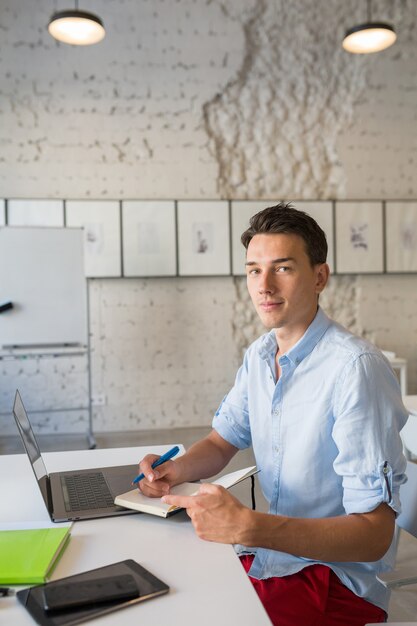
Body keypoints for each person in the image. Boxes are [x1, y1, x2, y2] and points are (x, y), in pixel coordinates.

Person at [137, 203, 408, 626]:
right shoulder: (260, 355)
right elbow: (221, 441)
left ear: (320, 277)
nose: (263, 285)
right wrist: (172, 471)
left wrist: (249, 528)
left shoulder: (355, 368)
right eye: (253, 270)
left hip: (333, 580)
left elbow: (373, 535)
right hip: (271, 557)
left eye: (282, 268)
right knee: (163, 596)